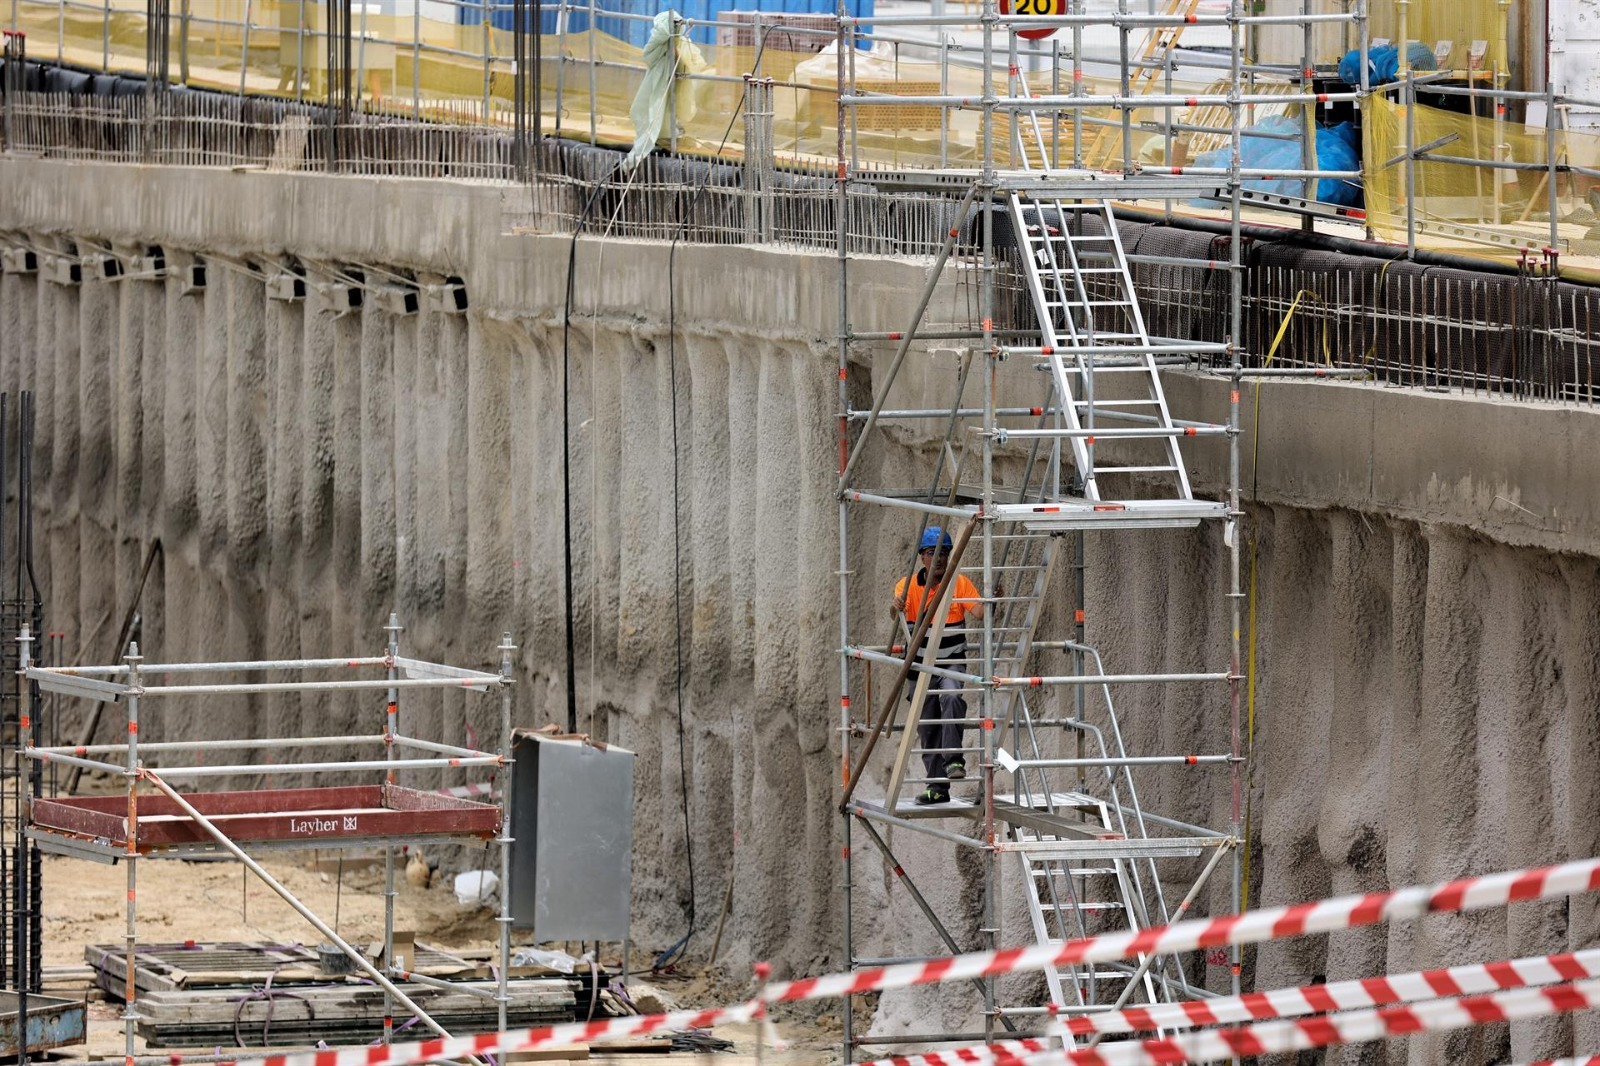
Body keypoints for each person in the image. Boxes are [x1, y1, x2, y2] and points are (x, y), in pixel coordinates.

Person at [892, 526, 987, 805]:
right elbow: (895, 613)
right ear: (922, 556)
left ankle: (954, 760)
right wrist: (895, 606)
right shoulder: (907, 586)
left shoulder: (959, 584)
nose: (939, 558)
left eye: (944, 552)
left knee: (952, 696)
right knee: (927, 726)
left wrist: (992, 598)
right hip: (920, 666)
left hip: (950, 662)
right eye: (932, 552)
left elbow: (979, 612)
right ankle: (937, 787)